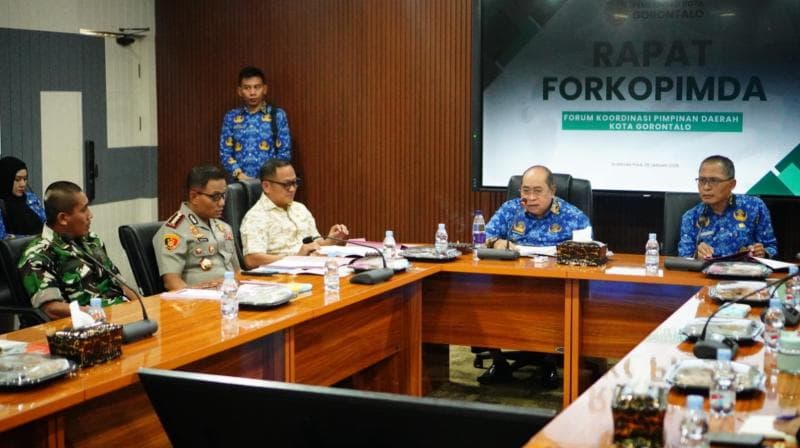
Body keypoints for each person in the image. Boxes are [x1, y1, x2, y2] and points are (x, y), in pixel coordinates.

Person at [480, 165, 592, 385]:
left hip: (555, 285)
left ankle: (550, 362)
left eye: (537, 191)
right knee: (483, 302)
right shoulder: (510, 210)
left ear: (552, 190)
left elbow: (587, 249)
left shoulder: (572, 215)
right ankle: (499, 362)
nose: (530, 198)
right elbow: (483, 236)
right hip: (510, 282)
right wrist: (496, 241)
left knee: (556, 305)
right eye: (525, 190)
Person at [19, 181, 137, 319]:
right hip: (88, 322)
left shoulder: (91, 240)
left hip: (122, 313)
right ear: (63, 218)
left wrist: (144, 306)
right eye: (84, 210)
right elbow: (51, 308)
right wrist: (92, 313)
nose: (90, 215)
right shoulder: (39, 255)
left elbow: (121, 284)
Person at [240, 159, 349, 269]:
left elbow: (314, 244)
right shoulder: (256, 216)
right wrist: (296, 258)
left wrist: (330, 241)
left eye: (294, 183)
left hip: (312, 268)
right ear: (266, 186)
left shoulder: (300, 208)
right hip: (283, 275)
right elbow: (251, 259)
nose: (292, 189)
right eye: (286, 184)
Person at [153, 166, 240, 291]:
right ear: (194, 196)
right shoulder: (175, 231)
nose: (222, 203)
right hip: (202, 299)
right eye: (215, 197)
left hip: (232, 295)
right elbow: (172, 283)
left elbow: (237, 272)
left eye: (223, 195)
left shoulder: (224, 227)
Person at [678, 155, 777, 259]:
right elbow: (684, 257)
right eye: (702, 180)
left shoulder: (755, 207)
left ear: (732, 184)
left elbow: (771, 248)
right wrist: (697, 256)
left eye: (714, 181)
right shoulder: (691, 217)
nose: (706, 187)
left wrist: (763, 253)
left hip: (746, 268)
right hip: (707, 269)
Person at [219, 66, 292, 181]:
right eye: (247, 88)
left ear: (265, 89)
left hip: (269, 183)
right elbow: (225, 153)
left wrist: (267, 177)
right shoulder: (231, 117)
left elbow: (284, 153)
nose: (252, 92)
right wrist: (240, 176)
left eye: (257, 87)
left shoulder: (277, 115)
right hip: (239, 183)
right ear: (239, 91)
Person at [0, 156, 45, 239]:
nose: (23, 184)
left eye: (25, 179)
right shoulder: (2, 204)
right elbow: (3, 238)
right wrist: (34, 239)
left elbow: (45, 223)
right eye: (17, 179)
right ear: (5, 179)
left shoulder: (30, 198)